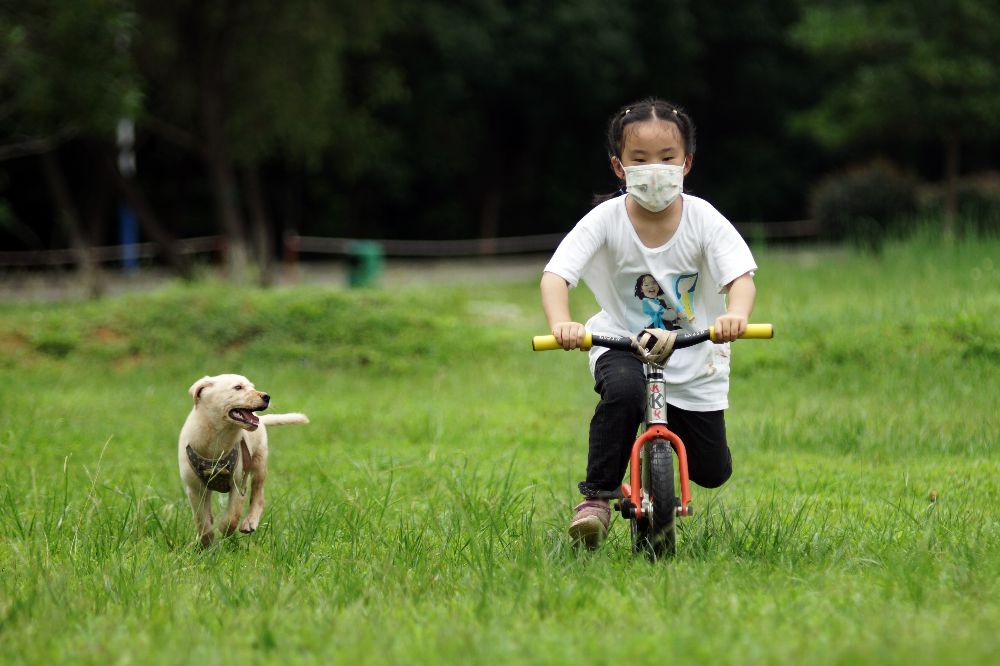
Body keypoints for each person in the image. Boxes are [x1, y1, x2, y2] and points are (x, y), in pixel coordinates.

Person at [540, 98, 758, 548]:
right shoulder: (604, 220)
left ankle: (667, 467)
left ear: (687, 163)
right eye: (639, 159)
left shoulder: (703, 219)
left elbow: (741, 276)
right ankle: (597, 499)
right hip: (621, 340)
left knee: (711, 471)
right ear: (619, 167)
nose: (654, 169)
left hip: (695, 349)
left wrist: (736, 314)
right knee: (622, 393)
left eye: (666, 158)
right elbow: (556, 275)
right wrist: (561, 323)